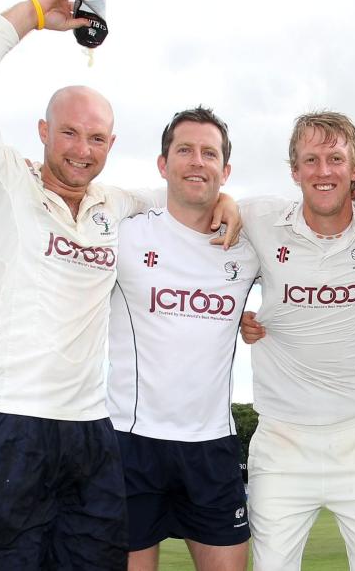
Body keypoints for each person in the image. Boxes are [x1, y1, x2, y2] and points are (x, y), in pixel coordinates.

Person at [0, 0, 237, 569]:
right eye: (68, 133)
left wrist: (229, 201)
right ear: (43, 132)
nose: (81, 150)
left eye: (96, 138)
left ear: (111, 144)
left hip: (91, 438)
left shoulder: (111, 204)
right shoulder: (0, 185)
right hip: (6, 421)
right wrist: (36, 14)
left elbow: (182, 193)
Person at [238, 112, 355, 570]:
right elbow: (192, 218)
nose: (323, 171)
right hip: (281, 440)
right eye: (310, 159)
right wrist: (235, 314)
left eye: (336, 158)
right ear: (293, 170)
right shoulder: (257, 218)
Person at [106, 107, 257, 571]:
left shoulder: (248, 245)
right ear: (162, 163)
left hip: (212, 447)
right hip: (131, 444)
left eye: (209, 153)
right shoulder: (124, 233)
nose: (197, 161)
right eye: (184, 150)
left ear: (225, 169)